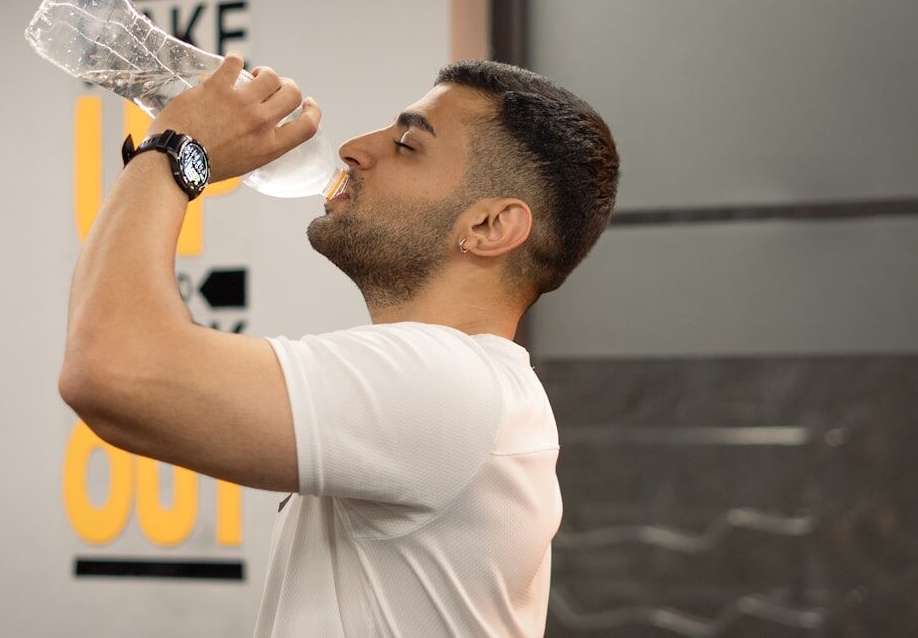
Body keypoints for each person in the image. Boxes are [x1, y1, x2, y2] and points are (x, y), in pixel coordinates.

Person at [57, 53, 620, 636]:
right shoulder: (467, 391)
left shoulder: (450, 384)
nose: (353, 148)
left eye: (407, 145)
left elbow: (112, 368)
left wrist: (178, 149)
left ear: (489, 227)